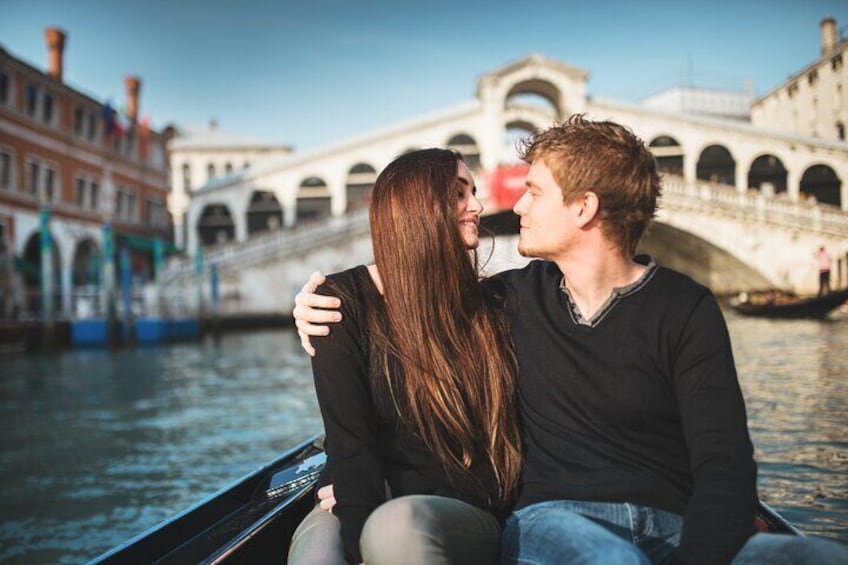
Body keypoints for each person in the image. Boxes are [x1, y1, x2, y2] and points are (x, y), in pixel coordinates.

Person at [295, 116, 848, 564]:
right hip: (553, 520)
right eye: (465, 192)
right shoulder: (513, 299)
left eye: (532, 190)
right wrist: (322, 307)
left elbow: (724, 466)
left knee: (817, 556)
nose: (511, 206)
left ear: (583, 208)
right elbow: (410, 296)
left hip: (673, 526)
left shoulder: (684, 307)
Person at [287, 148, 522, 565]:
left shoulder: (497, 304)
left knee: (398, 528)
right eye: (459, 194)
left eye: (473, 192)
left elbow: (494, 463)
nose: (479, 205)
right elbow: (350, 444)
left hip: (462, 509)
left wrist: (392, 488)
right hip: (361, 491)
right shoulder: (339, 302)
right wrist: (361, 537)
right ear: (418, 208)